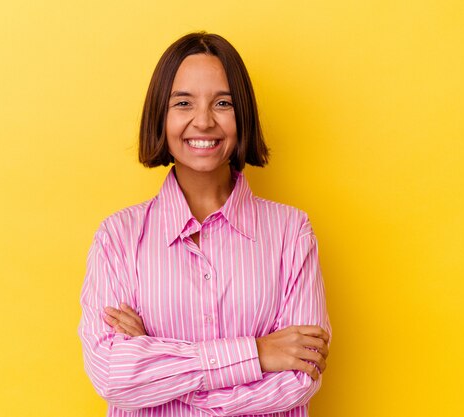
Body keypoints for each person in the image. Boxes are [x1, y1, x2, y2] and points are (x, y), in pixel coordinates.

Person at [79, 32, 331, 416]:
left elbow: (299, 378)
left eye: (223, 103)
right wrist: (258, 353)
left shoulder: (291, 233)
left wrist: (156, 363)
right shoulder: (117, 237)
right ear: (160, 117)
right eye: (183, 103)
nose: (203, 121)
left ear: (242, 114)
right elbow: (113, 375)